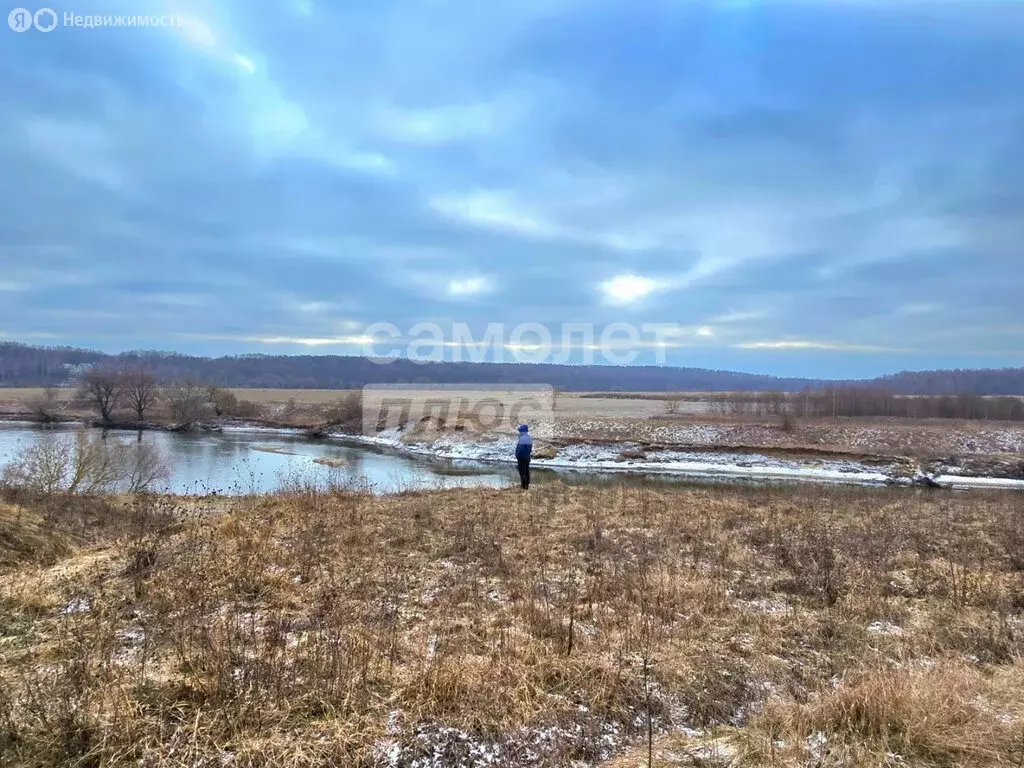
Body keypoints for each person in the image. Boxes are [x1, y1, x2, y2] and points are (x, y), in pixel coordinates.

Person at [515, 424, 533, 489]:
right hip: (527, 458)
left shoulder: (522, 438)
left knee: (522, 473)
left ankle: (523, 487)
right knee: (526, 472)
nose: (519, 432)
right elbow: (530, 449)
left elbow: (520, 449)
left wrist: (517, 455)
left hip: (521, 458)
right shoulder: (529, 437)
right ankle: (527, 486)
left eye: (520, 431)